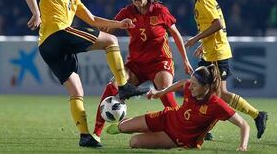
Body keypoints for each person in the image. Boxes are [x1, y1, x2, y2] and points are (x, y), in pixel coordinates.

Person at [22, 0, 147, 148]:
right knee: (110, 41)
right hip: (58, 34)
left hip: (47, 48)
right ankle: (123, 86)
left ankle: (85, 136)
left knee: (76, 90)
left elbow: (94, 20)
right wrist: (36, 13)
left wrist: (119, 24)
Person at [93, 0, 193, 142]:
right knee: (113, 86)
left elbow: (175, 34)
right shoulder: (127, 12)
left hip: (160, 62)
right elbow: (109, 29)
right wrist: (93, 35)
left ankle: (184, 126)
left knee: (163, 90)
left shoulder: (160, 11)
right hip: (136, 65)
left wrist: (185, 60)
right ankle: (95, 134)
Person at [175, 0, 268, 139]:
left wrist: (196, 39)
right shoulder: (202, 0)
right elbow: (216, 25)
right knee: (207, 91)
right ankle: (208, 129)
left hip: (217, 54)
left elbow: (217, 24)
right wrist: (204, 44)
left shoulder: (203, 1)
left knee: (218, 93)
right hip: (212, 51)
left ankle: (255, 116)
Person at [106, 65, 250, 151]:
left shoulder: (216, 105)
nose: (190, 87)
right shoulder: (190, 86)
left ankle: (146, 130)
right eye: (191, 83)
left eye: (194, 85)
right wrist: (161, 93)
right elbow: (183, 83)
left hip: (176, 138)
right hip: (168, 117)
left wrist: (243, 146)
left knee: (134, 142)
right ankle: (123, 126)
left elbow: (244, 125)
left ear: (206, 87)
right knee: (123, 127)